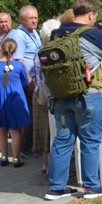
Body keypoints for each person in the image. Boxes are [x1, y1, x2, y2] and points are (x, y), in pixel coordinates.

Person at [46, 0, 102, 200]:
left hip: (61, 97)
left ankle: (56, 188)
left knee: (63, 140)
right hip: (89, 95)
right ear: (91, 14)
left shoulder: (56, 34)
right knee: (90, 141)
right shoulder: (92, 34)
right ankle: (91, 187)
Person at [0, 39, 30, 167]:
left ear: (0, 49)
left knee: (1, 128)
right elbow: (25, 83)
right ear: (15, 50)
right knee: (15, 129)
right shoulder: (19, 66)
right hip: (15, 98)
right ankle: (16, 158)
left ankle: (4, 157)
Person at [6, 5, 41, 156]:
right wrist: (30, 82)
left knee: (34, 113)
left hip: (34, 78)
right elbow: (19, 60)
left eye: (35, 18)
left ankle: (30, 144)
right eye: (30, 18)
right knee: (29, 114)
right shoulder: (19, 35)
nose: (34, 21)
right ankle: (25, 147)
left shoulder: (33, 33)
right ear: (22, 19)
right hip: (25, 81)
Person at [33, 19, 62, 174]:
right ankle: (49, 165)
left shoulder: (39, 51)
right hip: (47, 95)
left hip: (41, 93)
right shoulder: (51, 52)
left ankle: (47, 163)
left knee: (46, 131)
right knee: (49, 131)